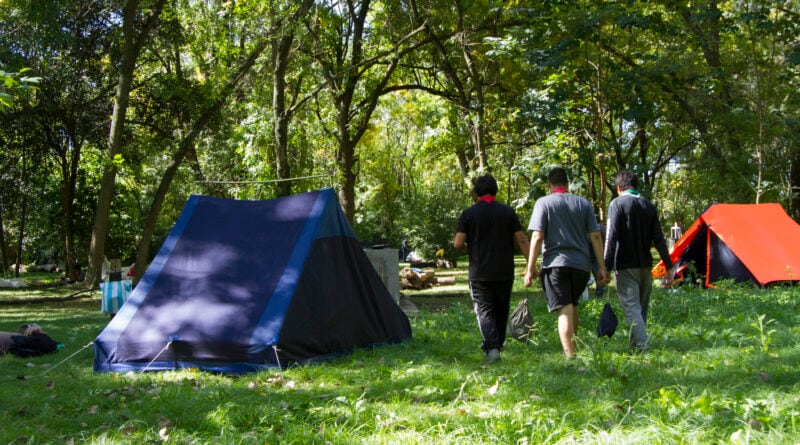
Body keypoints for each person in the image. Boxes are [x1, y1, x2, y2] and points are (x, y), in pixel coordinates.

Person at [524, 167, 609, 359]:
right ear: (567, 183)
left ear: (548, 184)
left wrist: (530, 268)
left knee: (564, 310)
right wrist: (602, 268)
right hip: (581, 267)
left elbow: (537, 236)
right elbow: (595, 236)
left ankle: (571, 358)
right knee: (572, 305)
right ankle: (574, 347)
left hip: (555, 265)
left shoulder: (543, 203)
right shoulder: (583, 203)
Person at [454, 174, 530, 363]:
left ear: (476, 192)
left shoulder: (468, 214)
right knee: (501, 308)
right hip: (504, 269)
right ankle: (498, 343)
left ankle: (492, 347)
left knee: (484, 310)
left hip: (480, 271)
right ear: (495, 190)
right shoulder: (508, 212)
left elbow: (457, 243)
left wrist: (466, 248)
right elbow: (521, 239)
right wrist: (530, 265)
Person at [604, 170, 674, 351]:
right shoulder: (648, 205)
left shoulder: (617, 204)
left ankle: (643, 346)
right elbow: (659, 238)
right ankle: (635, 347)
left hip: (626, 266)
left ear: (619, 188)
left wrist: (606, 267)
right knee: (641, 309)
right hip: (645, 265)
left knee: (631, 308)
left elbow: (611, 236)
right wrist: (669, 265)